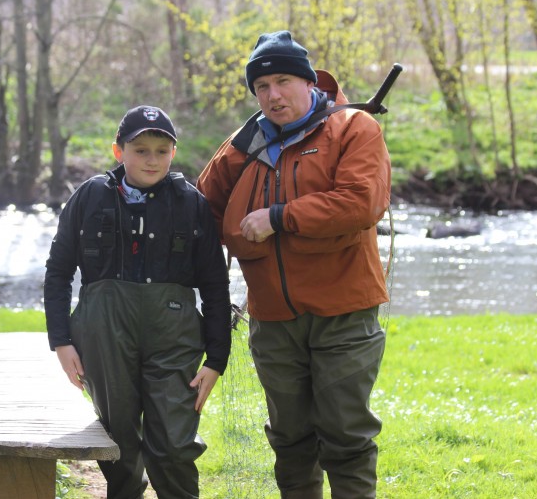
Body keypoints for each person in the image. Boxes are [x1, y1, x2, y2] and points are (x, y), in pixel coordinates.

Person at [196, 31, 390, 499]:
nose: (273, 95)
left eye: (283, 81)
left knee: (345, 436)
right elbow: (200, 209)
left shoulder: (354, 128)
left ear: (308, 81)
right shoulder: (246, 143)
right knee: (290, 439)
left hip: (342, 312)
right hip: (273, 318)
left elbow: (361, 203)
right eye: (261, 87)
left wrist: (279, 217)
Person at [44, 105, 232, 499]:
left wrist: (216, 359)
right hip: (103, 337)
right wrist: (61, 342)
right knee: (120, 446)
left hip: (174, 339)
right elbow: (59, 273)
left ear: (173, 153)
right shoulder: (89, 197)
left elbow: (215, 285)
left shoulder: (191, 203)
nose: (151, 159)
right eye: (140, 149)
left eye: (161, 151)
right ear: (119, 152)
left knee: (174, 445)